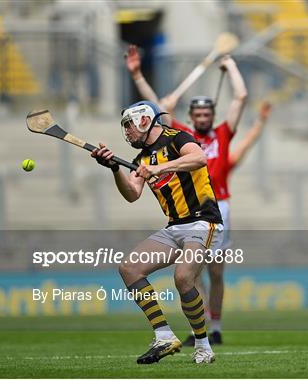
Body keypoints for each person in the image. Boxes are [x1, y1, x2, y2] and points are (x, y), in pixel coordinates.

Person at [125, 46, 248, 345]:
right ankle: (202, 326)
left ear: (212, 115)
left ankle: (212, 327)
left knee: (214, 272)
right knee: (192, 274)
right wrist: (139, 76)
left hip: (217, 209)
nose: (203, 117)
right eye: (198, 113)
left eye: (208, 113)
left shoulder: (222, 134)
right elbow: (154, 112)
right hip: (184, 216)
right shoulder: (181, 135)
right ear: (191, 117)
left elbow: (241, 98)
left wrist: (229, 65)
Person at [91, 101, 223, 364]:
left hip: (202, 221)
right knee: (129, 268)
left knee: (184, 277)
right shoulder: (140, 159)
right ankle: (164, 336)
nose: (126, 133)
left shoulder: (177, 138)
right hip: (174, 226)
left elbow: (199, 158)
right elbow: (132, 193)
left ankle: (203, 346)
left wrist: (159, 168)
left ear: (143, 120)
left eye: (128, 126)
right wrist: (115, 169)